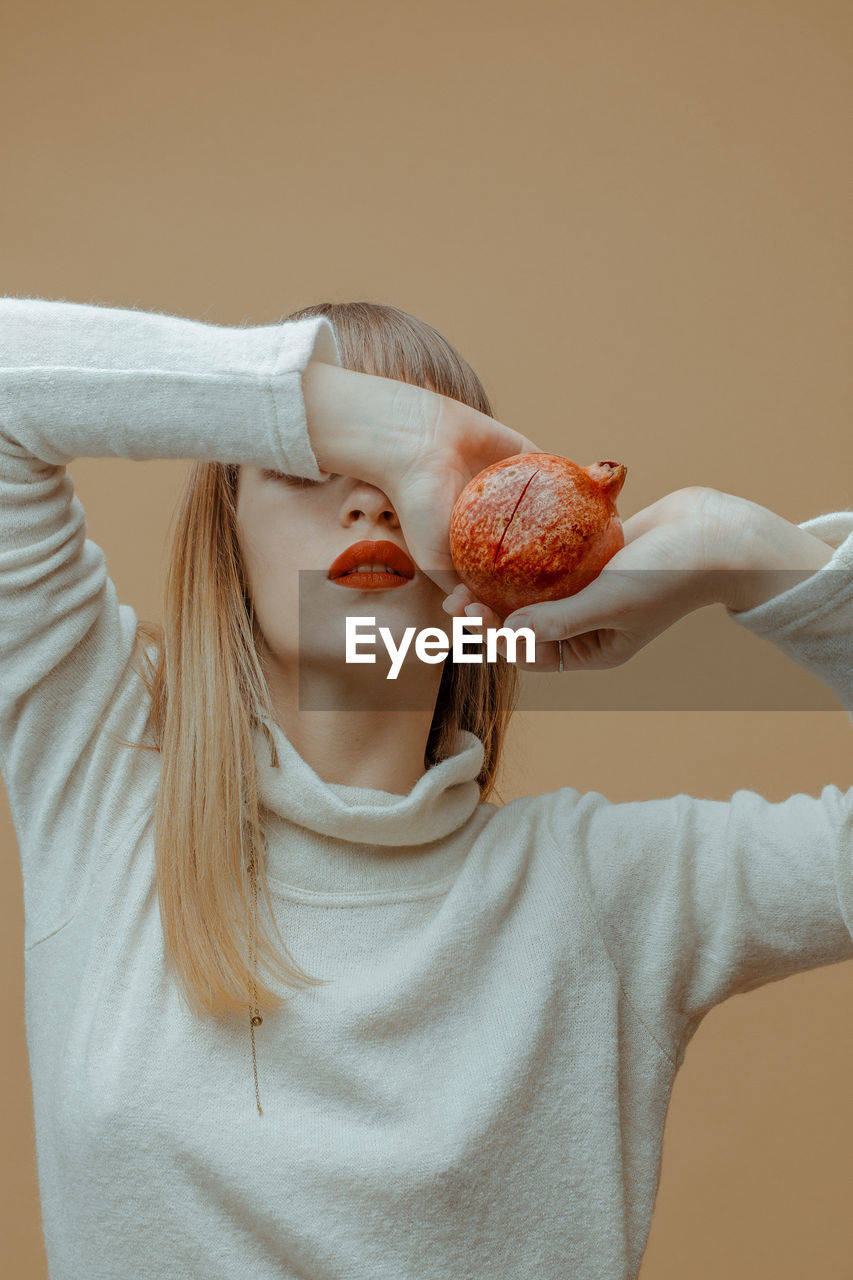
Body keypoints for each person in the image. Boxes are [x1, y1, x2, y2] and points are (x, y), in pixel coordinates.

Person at [0, 294, 850, 1280]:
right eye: (309, 462)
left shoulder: (610, 891)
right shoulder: (98, 785)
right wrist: (387, 427)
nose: (366, 502)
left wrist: (746, 546)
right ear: (224, 531)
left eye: (415, 483)